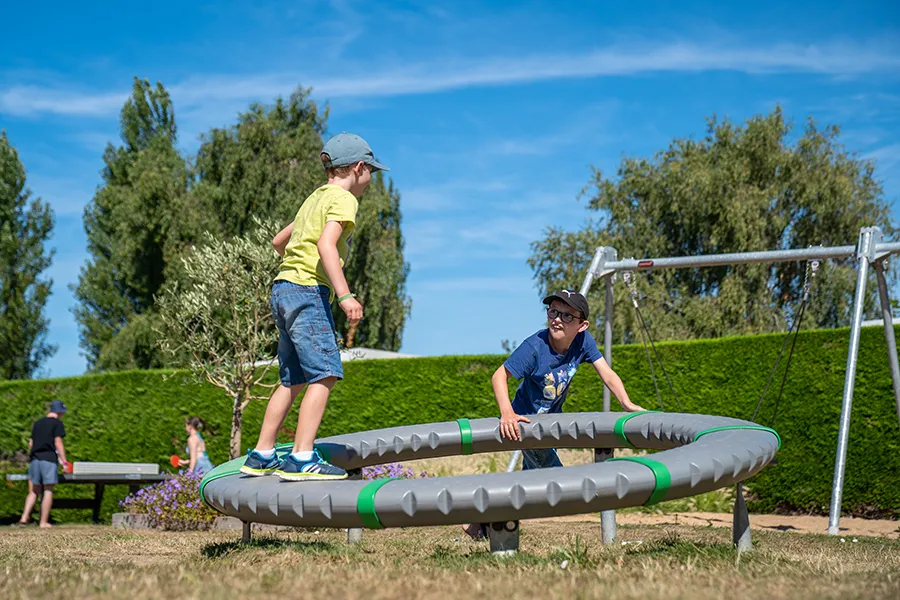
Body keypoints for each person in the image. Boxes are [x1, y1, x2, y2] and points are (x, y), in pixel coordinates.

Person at [241, 132, 387, 481]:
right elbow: (326, 245)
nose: (370, 180)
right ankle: (302, 457)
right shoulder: (344, 199)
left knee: (291, 379)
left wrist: (298, 265)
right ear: (358, 167)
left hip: (283, 288)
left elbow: (280, 241)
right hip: (307, 292)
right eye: (371, 173)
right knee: (325, 372)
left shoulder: (314, 198)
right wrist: (345, 294)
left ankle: (262, 453)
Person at [464, 290, 645, 539]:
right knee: (556, 480)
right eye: (553, 312)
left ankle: (481, 520)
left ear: (582, 325)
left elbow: (607, 373)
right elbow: (499, 376)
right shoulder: (535, 347)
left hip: (549, 424)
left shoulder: (584, 342)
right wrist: (507, 413)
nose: (557, 319)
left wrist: (626, 403)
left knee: (529, 484)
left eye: (567, 316)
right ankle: (484, 516)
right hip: (525, 424)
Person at [17, 400, 69, 528]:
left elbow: (31, 443)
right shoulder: (57, 424)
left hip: (35, 459)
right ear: (60, 411)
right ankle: (43, 522)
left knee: (34, 490)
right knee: (48, 489)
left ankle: (24, 518)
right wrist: (64, 461)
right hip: (48, 459)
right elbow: (58, 442)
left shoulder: (38, 423)